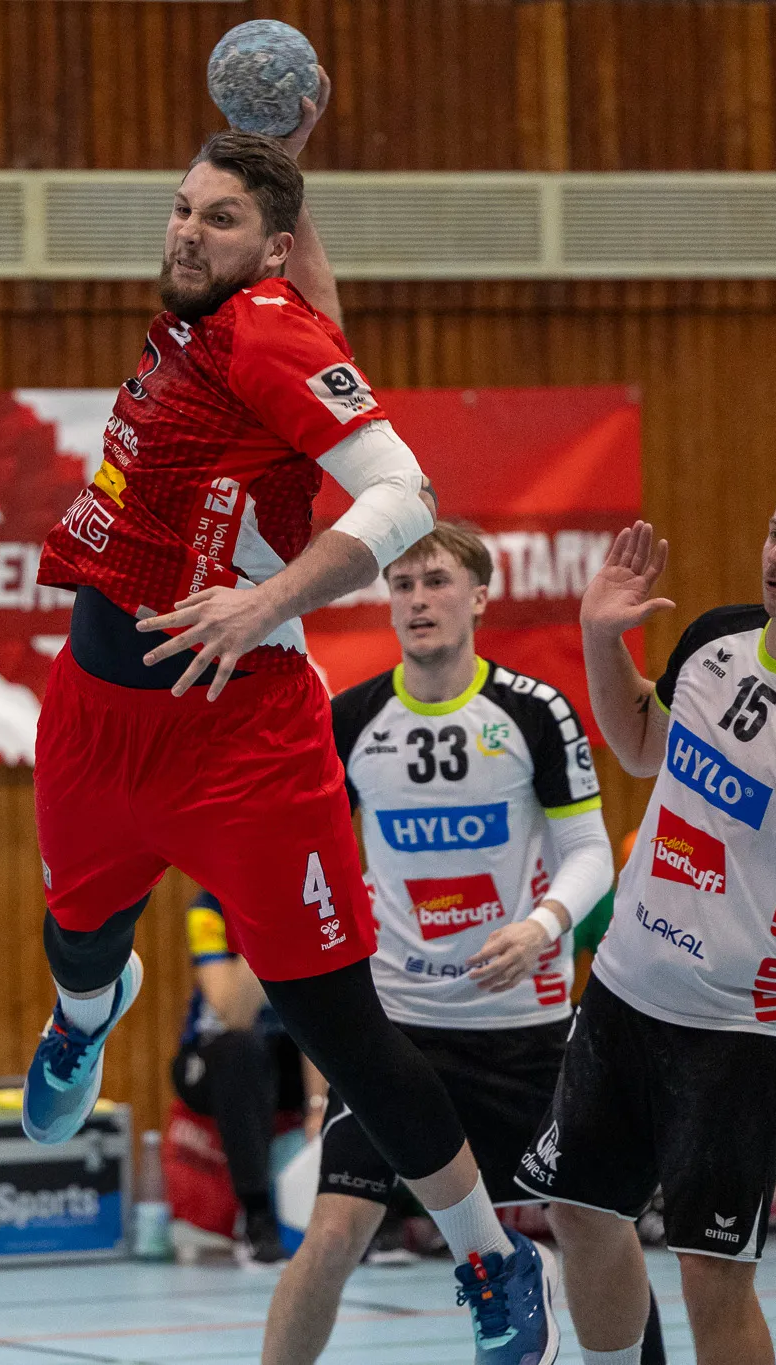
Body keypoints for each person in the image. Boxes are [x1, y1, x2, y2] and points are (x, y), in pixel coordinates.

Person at [17, 77, 558, 1364]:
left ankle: (493, 1263)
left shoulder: (264, 332)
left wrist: (265, 599)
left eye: (216, 217)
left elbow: (404, 494)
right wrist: (280, 165)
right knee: (76, 941)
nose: (183, 231)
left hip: (241, 738)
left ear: (262, 246)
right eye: (178, 208)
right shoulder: (227, 315)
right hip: (97, 715)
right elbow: (318, 301)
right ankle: (83, 1021)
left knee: (339, 1032)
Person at [528, 465, 776, 1365]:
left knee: (712, 1272)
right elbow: (636, 745)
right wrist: (598, 638)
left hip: (740, 1029)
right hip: (625, 989)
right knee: (580, 1212)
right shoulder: (714, 639)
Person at [263, 522, 667, 1365]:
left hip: (525, 1028)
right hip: (397, 1031)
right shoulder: (351, 720)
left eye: (436, 580)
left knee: (592, 1217)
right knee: (332, 1232)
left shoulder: (533, 711)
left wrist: (542, 926)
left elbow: (592, 852)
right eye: (402, 583)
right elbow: (308, 858)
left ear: (479, 596)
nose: (418, 599)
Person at [170, 888, 324, 1264]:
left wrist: (318, 1106)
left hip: (288, 1058)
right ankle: (256, 1217)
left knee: (355, 1034)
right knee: (242, 1048)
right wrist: (266, 926)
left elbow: (320, 1019)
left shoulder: (315, 902)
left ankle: (384, 1218)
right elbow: (233, 1012)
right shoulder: (207, 910)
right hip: (214, 1059)